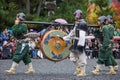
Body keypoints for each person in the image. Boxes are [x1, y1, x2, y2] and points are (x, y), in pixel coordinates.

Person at [63, 9, 88, 76]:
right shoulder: (77, 23)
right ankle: (78, 68)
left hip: (80, 42)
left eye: (76, 15)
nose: (75, 16)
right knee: (72, 57)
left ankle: (83, 72)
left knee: (81, 57)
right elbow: (72, 34)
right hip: (76, 42)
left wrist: (81, 44)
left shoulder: (82, 23)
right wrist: (64, 38)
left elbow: (82, 35)